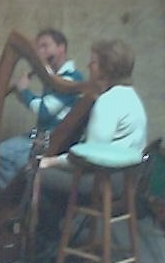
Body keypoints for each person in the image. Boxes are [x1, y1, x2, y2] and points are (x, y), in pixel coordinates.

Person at [37, 39, 148, 241]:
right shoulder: (131, 96)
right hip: (125, 179)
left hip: (104, 182)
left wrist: (51, 161)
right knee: (52, 174)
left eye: (94, 62)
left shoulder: (109, 101)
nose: (88, 65)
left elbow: (91, 157)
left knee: (36, 174)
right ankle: (59, 237)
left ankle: (49, 242)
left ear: (107, 69)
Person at [0, 28, 84, 189]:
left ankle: (14, 198)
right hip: (40, 135)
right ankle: (14, 196)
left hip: (52, 140)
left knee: (3, 154)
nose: (40, 52)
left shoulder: (71, 78)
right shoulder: (53, 77)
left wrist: (24, 91)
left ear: (61, 48)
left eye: (45, 46)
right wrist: (21, 93)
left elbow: (44, 112)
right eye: (38, 48)